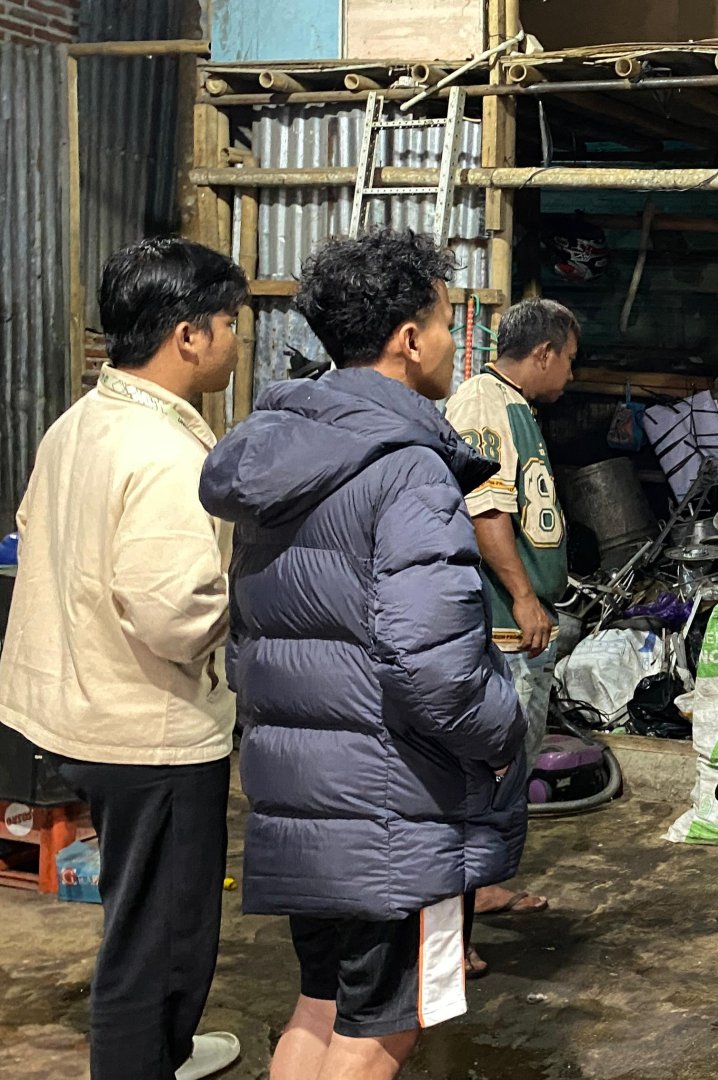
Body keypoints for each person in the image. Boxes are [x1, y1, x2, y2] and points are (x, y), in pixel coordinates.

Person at [199, 229, 526, 1080]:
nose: (457, 344)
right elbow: (439, 672)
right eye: (450, 322)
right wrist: (507, 732)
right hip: (396, 807)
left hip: (305, 792)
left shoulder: (281, 451)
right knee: (388, 1026)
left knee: (323, 1003)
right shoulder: (410, 469)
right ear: (408, 339)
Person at [0, 237, 246, 1080]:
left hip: (73, 709)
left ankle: (164, 1050)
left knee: (138, 911)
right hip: (149, 732)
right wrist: (242, 608)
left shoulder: (80, 424)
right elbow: (175, 614)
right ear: (187, 335)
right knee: (160, 935)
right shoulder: (170, 455)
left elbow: (36, 534)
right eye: (229, 323)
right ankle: (143, 1060)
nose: (234, 340)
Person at [443, 298, 579, 965]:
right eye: (570, 360)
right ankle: (450, 934)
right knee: (484, 773)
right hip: (496, 624)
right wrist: (523, 595)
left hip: (518, 624)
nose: (571, 377)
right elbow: (484, 507)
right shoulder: (480, 403)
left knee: (509, 769)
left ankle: (485, 887)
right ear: (546, 352)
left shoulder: (512, 405)